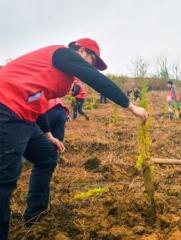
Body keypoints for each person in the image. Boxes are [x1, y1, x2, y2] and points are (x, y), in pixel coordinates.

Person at [0, 38, 147, 240]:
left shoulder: (61, 72)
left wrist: (48, 134)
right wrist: (130, 106)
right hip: (6, 109)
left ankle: (35, 217)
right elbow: (96, 78)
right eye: (91, 60)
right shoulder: (62, 53)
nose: (91, 66)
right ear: (81, 50)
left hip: (24, 116)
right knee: (4, 180)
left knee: (46, 156)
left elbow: (37, 98)